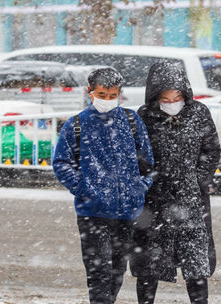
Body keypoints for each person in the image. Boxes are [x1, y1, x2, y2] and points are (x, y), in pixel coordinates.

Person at [52, 67, 154, 304]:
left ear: (119, 94)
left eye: (112, 95)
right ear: (90, 92)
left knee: (117, 271)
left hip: (127, 211)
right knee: (98, 272)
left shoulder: (131, 121)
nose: (107, 100)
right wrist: (83, 188)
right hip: (92, 213)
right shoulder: (76, 124)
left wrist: (139, 187)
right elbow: (61, 163)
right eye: (102, 95)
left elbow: (147, 163)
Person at [131, 62, 221, 304]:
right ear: (155, 95)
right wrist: (149, 180)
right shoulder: (145, 116)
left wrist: (200, 179)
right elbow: (138, 155)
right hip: (155, 202)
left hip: (191, 199)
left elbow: (212, 150)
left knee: (196, 262)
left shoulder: (199, 113)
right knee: (149, 261)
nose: (172, 101)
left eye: (177, 95)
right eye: (165, 96)